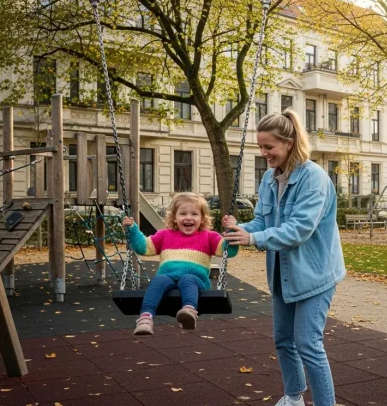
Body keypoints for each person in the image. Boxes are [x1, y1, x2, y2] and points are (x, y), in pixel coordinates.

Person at [222, 110, 345, 406]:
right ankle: (293, 397)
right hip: (283, 272)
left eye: (269, 147)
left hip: (315, 274)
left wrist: (253, 238)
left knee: (308, 344)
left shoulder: (314, 178)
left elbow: (299, 229)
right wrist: (240, 230)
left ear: (288, 143)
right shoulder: (269, 177)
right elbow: (263, 221)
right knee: (283, 340)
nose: (264, 153)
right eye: (261, 147)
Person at [122, 192, 238, 335]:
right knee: (158, 280)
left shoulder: (208, 236)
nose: (188, 217)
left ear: (202, 219)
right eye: (183, 213)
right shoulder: (165, 235)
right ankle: (145, 318)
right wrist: (132, 230)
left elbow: (229, 251)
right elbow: (142, 247)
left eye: (194, 214)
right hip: (168, 277)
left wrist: (232, 229)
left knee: (187, 279)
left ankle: (189, 312)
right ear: (174, 218)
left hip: (196, 280)